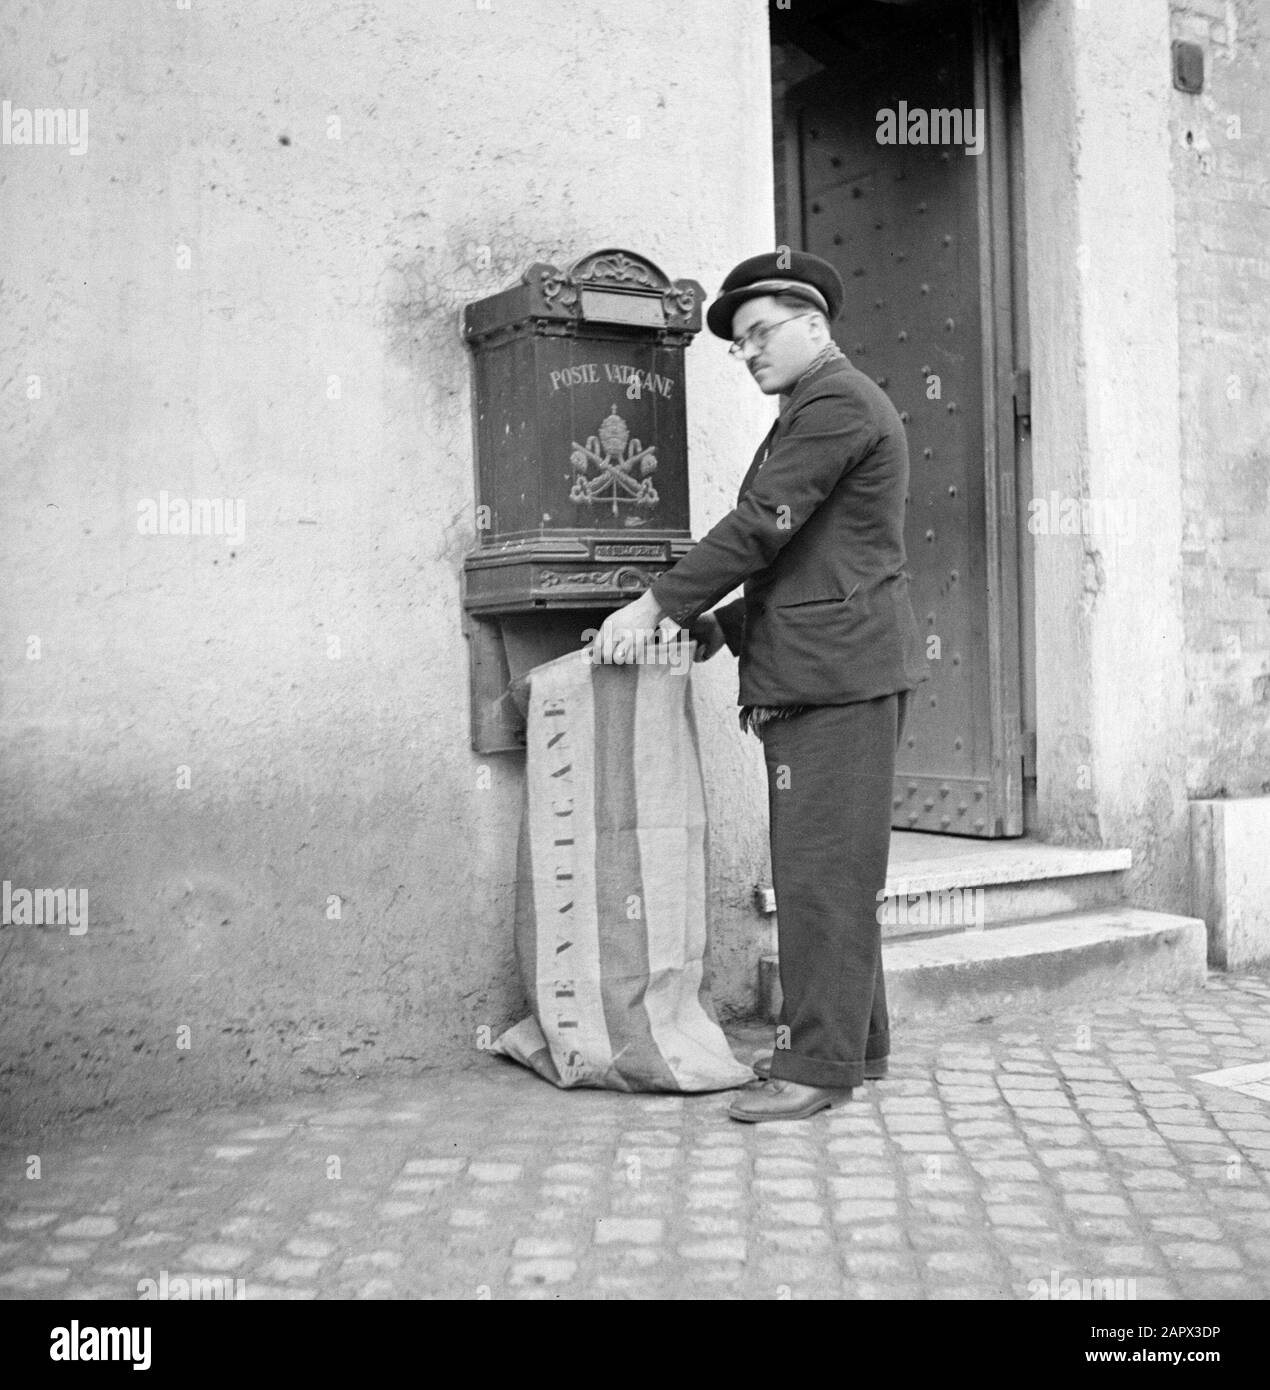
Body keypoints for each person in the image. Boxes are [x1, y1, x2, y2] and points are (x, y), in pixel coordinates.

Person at [593, 250, 930, 1122]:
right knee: (834, 874)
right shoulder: (816, 407)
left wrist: (659, 603)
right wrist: (725, 625)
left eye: (759, 333)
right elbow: (823, 562)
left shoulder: (835, 401)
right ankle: (859, 1047)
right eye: (738, 344)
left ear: (814, 325)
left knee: (821, 878)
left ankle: (818, 1071)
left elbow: (762, 526)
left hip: (838, 682)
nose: (747, 353)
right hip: (831, 669)